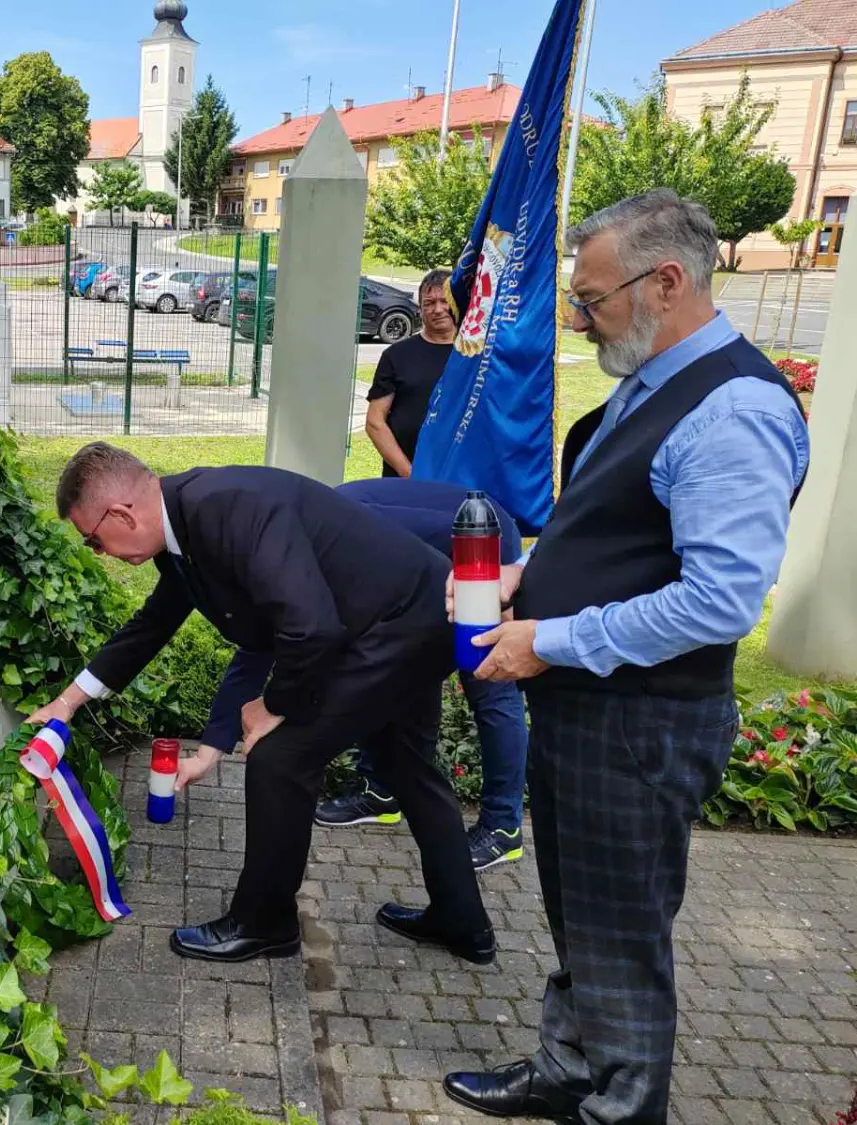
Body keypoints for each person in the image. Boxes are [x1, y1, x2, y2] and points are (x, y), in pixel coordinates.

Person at [442, 191, 809, 1125]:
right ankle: (570, 1068)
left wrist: (547, 640)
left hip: (641, 726)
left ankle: (623, 1104)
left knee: (622, 936)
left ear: (668, 281)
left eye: (593, 300)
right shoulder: (651, 382)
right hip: (589, 711)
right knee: (583, 921)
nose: (581, 317)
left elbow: (719, 599)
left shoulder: (733, 410)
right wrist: (528, 575)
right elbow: (609, 524)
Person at [26, 444, 493, 965]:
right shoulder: (184, 526)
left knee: (280, 758)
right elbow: (153, 626)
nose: (100, 553)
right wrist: (68, 702)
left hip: (400, 622)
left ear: (120, 515)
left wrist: (274, 705)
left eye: (93, 541)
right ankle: (462, 919)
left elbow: (308, 628)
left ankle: (265, 922)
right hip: (407, 615)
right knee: (407, 765)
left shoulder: (227, 510)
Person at [173, 477, 530, 872]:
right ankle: (381, 791)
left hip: (479, 540)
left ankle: (503, 825)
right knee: (402, 705)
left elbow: (323, 634)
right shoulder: (289, 533)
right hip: (424, 573)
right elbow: (264, 644)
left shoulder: (309, 532)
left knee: (489, 681)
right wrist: (211, 751)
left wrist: (281, 704)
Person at [364, 268, 455, 478]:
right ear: (420, 309)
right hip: (403, 479)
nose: (438, 309)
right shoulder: (396, 355)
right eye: (429, 303)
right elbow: (375, 421)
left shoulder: (473, 357)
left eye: (445, 301)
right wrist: (409, 473)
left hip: (458, 479)